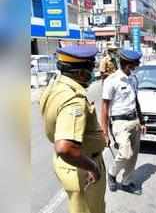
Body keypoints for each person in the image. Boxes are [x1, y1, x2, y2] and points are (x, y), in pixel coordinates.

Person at [39, 45, 106, 213]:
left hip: (71, 164)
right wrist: (91, 167)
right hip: (81, 166)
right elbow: (65, 147)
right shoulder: (74, 100)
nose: (93, 73)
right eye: (91, 68)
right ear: (80, 73)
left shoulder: (57, 86)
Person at [101, 49, 146, 193]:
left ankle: (126, 182)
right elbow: (104, 108)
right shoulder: (111, 80)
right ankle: (112, 173)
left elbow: (136, 100)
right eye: (135, 63)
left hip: (134, 121)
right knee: (125, 153)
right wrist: (105, 133)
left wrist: (142, 121)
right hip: (120, 123)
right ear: (128, 64)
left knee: (133, 156)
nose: (137, 65)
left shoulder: (133, 78)